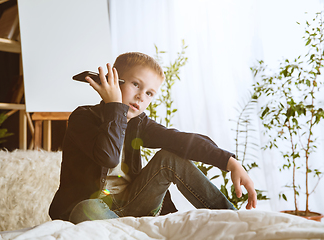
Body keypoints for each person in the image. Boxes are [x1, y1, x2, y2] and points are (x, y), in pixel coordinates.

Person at [49, 52, 257, 223]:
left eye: (149, 93)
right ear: (114, 80)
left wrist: (230, 162)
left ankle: (233, 219)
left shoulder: (140, 124)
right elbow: (108, 157)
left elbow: (181, 140)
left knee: (170, 157)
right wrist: (115, 107)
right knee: (87, 207)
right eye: (136, 85)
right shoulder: (82, 117)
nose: (141, 96)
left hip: (133, 205)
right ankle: (130, 233)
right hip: (90, 208)